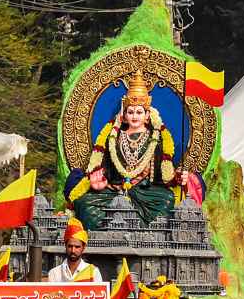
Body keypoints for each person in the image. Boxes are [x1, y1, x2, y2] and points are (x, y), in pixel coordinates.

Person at [64, 71, 178, 230]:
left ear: (147, 115)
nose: (134, 116)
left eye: (139, 112)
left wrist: (176, 178)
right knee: (84, 203)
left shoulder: (156, 138)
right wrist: (98, 183)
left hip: (144, 192)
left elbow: (161, 175)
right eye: (130, 112)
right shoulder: (113, 137)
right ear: (123, 116)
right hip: (114, 191)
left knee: (167, 199)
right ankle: (105, 235)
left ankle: (145, 237)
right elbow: (108, 169)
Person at [46, 217, 102, 282]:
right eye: (70, 246)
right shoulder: (54, 273)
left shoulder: (93, 272)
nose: (73, 250)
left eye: (77, 247)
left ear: (83, 248)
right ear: (65, 246)